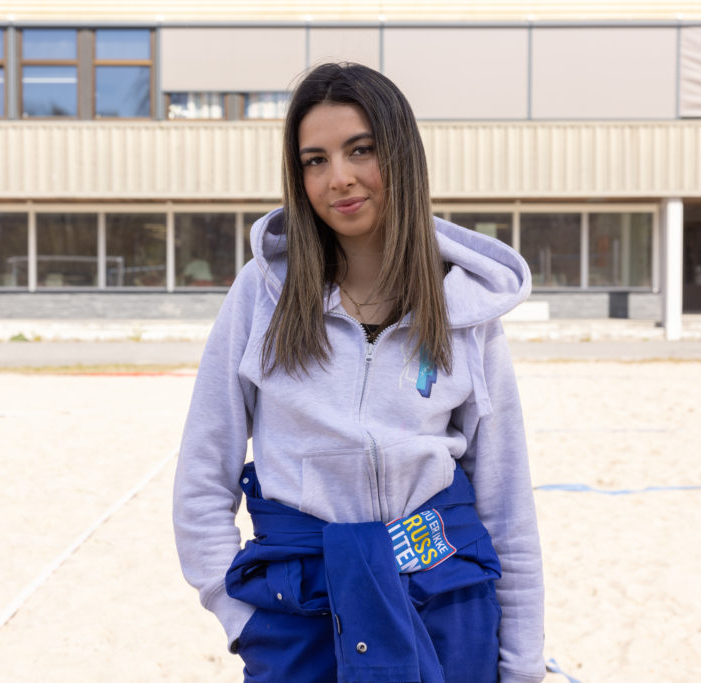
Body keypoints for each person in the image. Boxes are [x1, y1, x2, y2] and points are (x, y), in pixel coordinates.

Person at [173, 62, 545, 683]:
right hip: (299, 614)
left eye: (361, 150)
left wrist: (524, 664)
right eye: (314, 160)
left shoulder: (467, 307)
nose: (338, 178)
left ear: (401, 154)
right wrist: (243, 618)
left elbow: (505, 500)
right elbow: (202, 474)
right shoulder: (263, 294)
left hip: (446, 604)